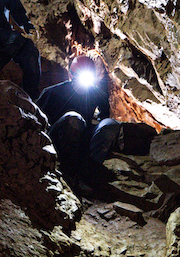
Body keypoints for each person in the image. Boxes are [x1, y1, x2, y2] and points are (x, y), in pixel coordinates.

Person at [36, 55, 121, 188]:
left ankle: (91, 168)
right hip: (56, 140)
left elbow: (104, 117)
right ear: (71, 75)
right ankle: (69, 172)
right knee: (74, 118)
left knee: (111, 125)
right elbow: (36, 120)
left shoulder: (96, 94)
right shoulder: (53, 92)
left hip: (81, 138)